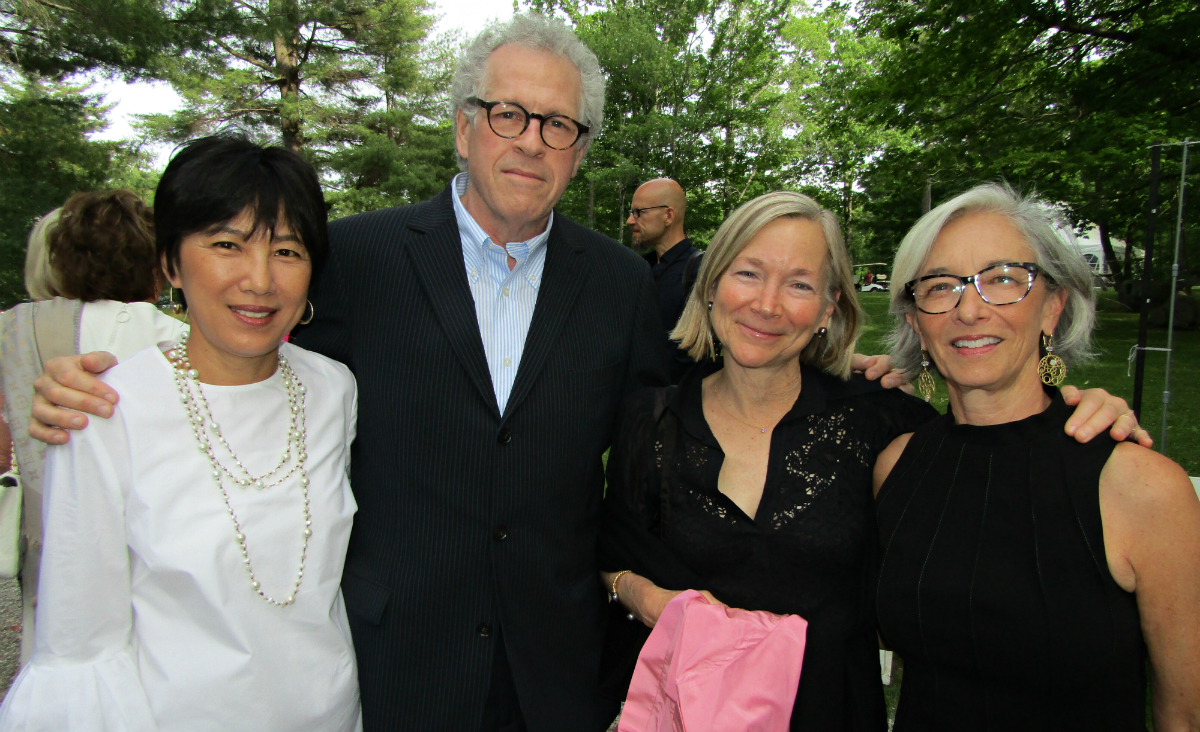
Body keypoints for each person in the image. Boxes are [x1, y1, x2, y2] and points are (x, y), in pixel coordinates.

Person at [598, 191, 1150, 731]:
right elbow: (603, 549)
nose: (767, 304)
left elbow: (998, 457)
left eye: (799, 284)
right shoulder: (650, 421)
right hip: (689, 712)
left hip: (835, 708)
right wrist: (643, 596)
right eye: (748, 273)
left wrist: (1077, 406)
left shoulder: (881, 422)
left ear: (827, 307)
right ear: (711, 285)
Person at [0, 135, 361, 730]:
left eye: (288, 251)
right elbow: (80, 642)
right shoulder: (103, 409)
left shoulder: (333, 391)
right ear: (169, 263)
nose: (259, 280)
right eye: (226, 245)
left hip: (328, 713)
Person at [873, 183, 1200, 730]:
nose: (969, 309)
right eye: (940, 286)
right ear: (916, 322)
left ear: (1052, 307)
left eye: (1002, 279)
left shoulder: (1140, 488)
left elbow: (1185, 712)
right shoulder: (897, 467)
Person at [0, 190, 187, 665]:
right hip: (155, 542)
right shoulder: (175, 336)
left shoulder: (12, 328)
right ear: (156, 262)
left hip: (47, 543)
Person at [627, 178, 698, 382]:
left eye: (639, 212)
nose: (630, 221)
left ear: (668, 215)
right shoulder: (637, 269)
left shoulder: (700, 273)